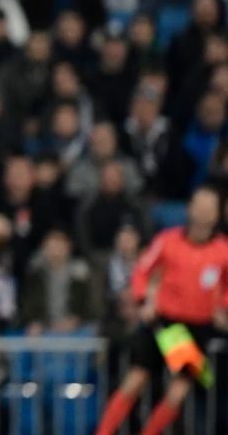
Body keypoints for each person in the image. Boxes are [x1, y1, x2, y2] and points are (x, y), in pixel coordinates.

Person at [95, 186, 228, 435]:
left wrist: (222, 307)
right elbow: (141, 272)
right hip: (163, 323)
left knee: (177, 393)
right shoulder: (167, 240)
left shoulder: (223, 250)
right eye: (198, 205)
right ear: (189, 209)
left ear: (217, 214)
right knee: (135, 381)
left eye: (209, 208)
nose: (202, 213)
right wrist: (144, 299)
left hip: (195, 329)